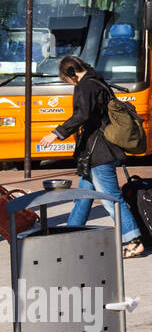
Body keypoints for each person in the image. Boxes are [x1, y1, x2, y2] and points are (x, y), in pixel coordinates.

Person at [37, 55, 144, 257]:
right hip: (98, 150)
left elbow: (82, 115)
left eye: (66, 79)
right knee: (83, 197)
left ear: (71, 73)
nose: (68, 83)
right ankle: (70, 236)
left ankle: (133, 239)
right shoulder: (98, 82)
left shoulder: (85, 86)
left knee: (111, 199)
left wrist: (56, 133)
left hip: (99, 152)